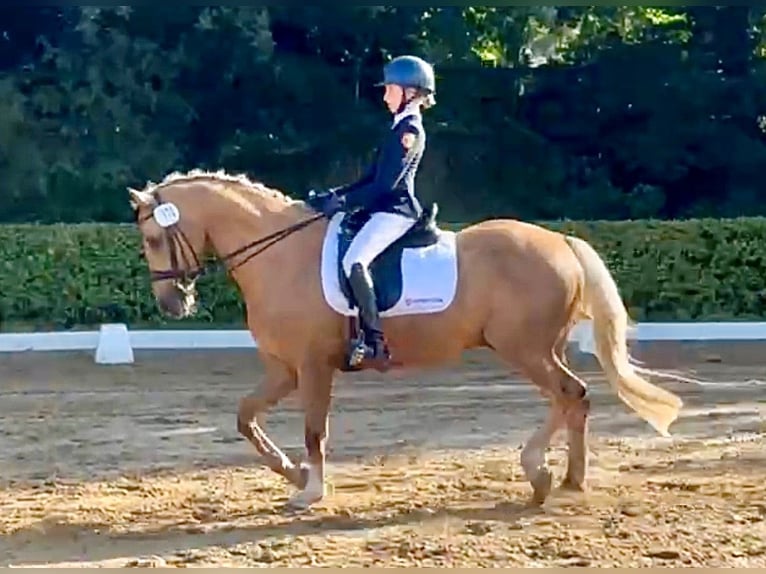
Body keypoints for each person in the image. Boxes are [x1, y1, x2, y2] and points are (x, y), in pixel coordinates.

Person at [314, 54, 436, 367]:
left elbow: (385, 185)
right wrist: (336, 194)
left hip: (396, 211)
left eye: (390, 90)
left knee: (355, 261)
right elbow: (370, 178)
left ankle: (375, 342)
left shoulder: (410, 132)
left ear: (410, 93)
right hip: (382, 207)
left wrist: (343, 203)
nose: (384, 96)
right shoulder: (397, 127)